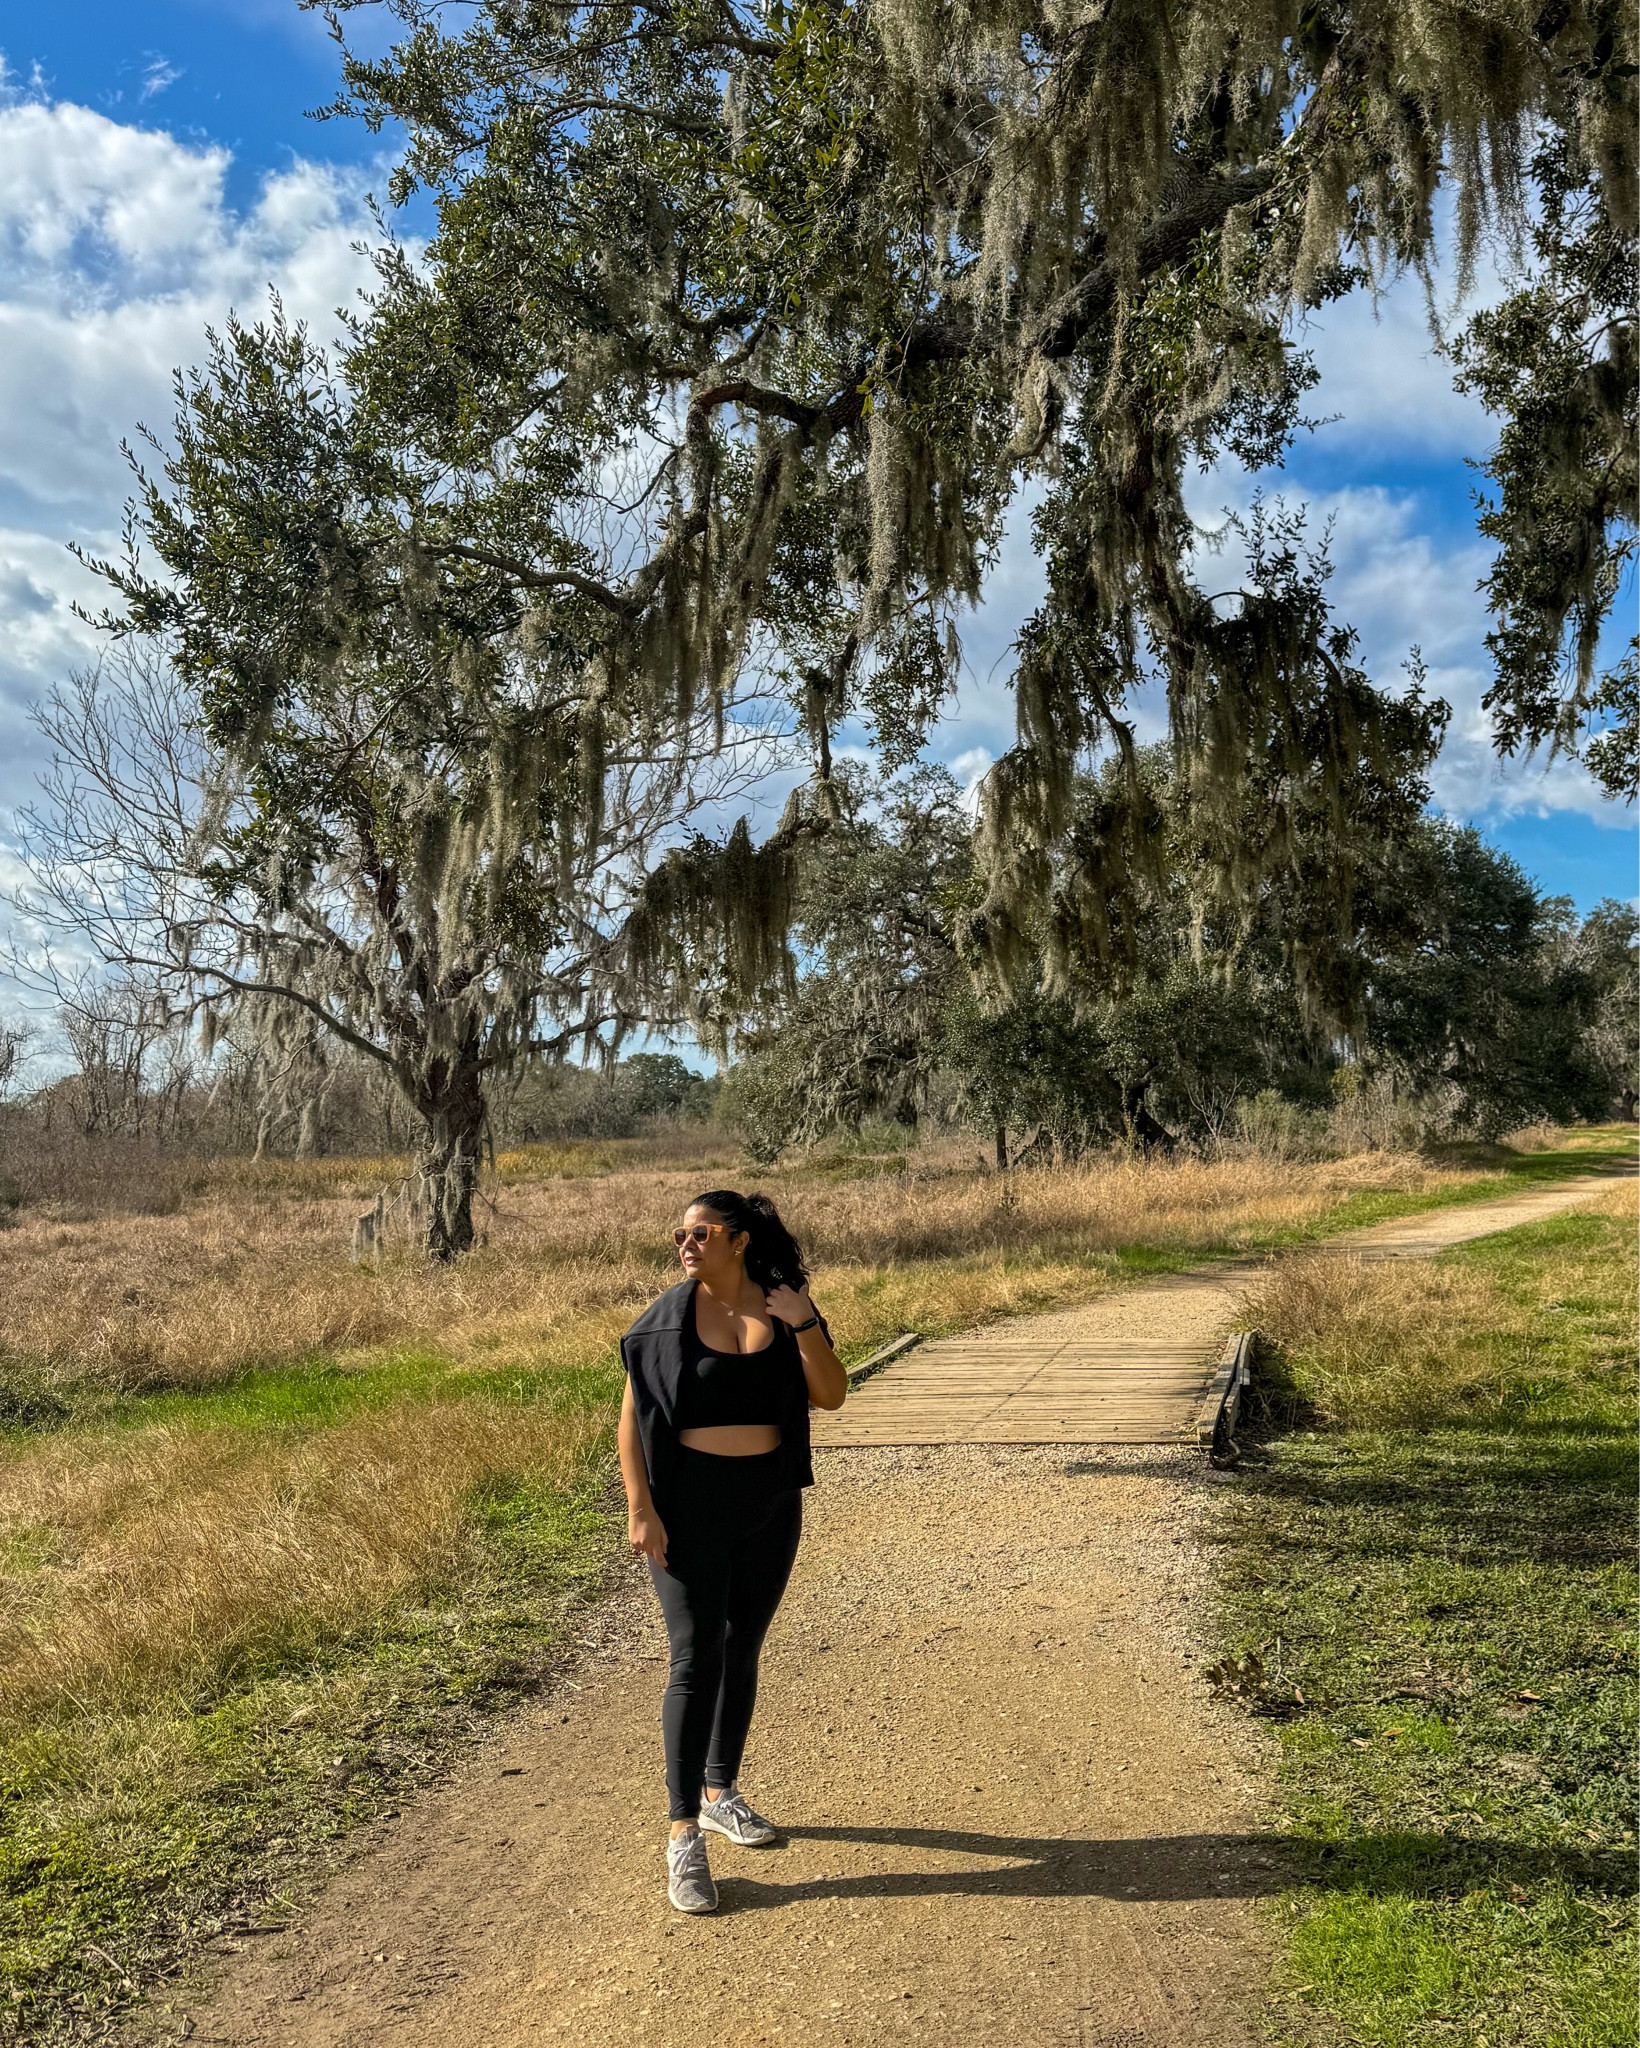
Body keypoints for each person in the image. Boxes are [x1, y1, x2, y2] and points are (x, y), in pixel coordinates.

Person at [618, 1189, 847, 1913]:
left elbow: (832, 1395)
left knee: (741, 1645)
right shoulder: (666, 1321)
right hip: (688, 1508)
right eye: (677, 1234)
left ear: (739, 1239)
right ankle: (683, 1834)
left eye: (699, 1232)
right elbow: (633, 1417)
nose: (685, 1244)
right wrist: (641, 1510)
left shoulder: (783, 1307)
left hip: (770, 1503)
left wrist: (805, 1324)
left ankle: (721, 1791)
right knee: (695, 1658)